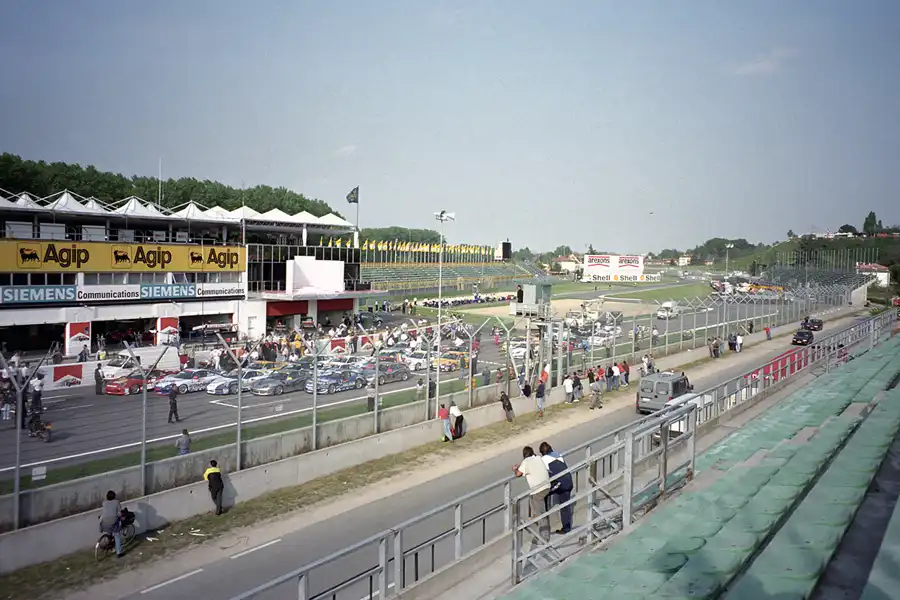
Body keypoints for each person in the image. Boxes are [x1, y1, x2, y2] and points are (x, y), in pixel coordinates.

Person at [513, 446, 551, 542]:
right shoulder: (538, 458)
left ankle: (544, 538)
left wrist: (514, 469)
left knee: (541, 513)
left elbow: (518, 474)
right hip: (547, 486)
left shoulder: (526, 462)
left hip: (539, 490)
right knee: (533, 501)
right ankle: (534, 515)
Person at [540, 442, 574, 534]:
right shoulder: (558, 454)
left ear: (542, 452)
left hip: (560, 484)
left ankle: (544, 525)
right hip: (568, 480)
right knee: (565, 505)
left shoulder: (543, 459)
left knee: (542, 495)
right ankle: (566, 527)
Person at [99, 490, 125, 558]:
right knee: (117, 535)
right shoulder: (116, 502)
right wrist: (122, 517)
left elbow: (105, 512)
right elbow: (119, 512)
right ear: (114, 496)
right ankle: (118, 552)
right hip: (113, 522)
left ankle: (110, 545)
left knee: (109, 532)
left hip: (104, 523)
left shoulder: (104, 503)